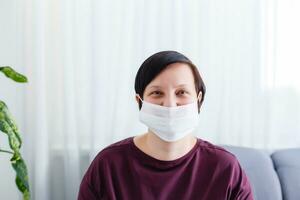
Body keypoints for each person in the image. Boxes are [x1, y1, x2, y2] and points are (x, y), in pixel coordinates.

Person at [78, 51, 254, 200]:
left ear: (198, 99)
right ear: (139, 101)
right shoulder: (108, 166)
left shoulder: (225, 168)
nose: (170, 104)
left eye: (181, 92)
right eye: (157, 93)